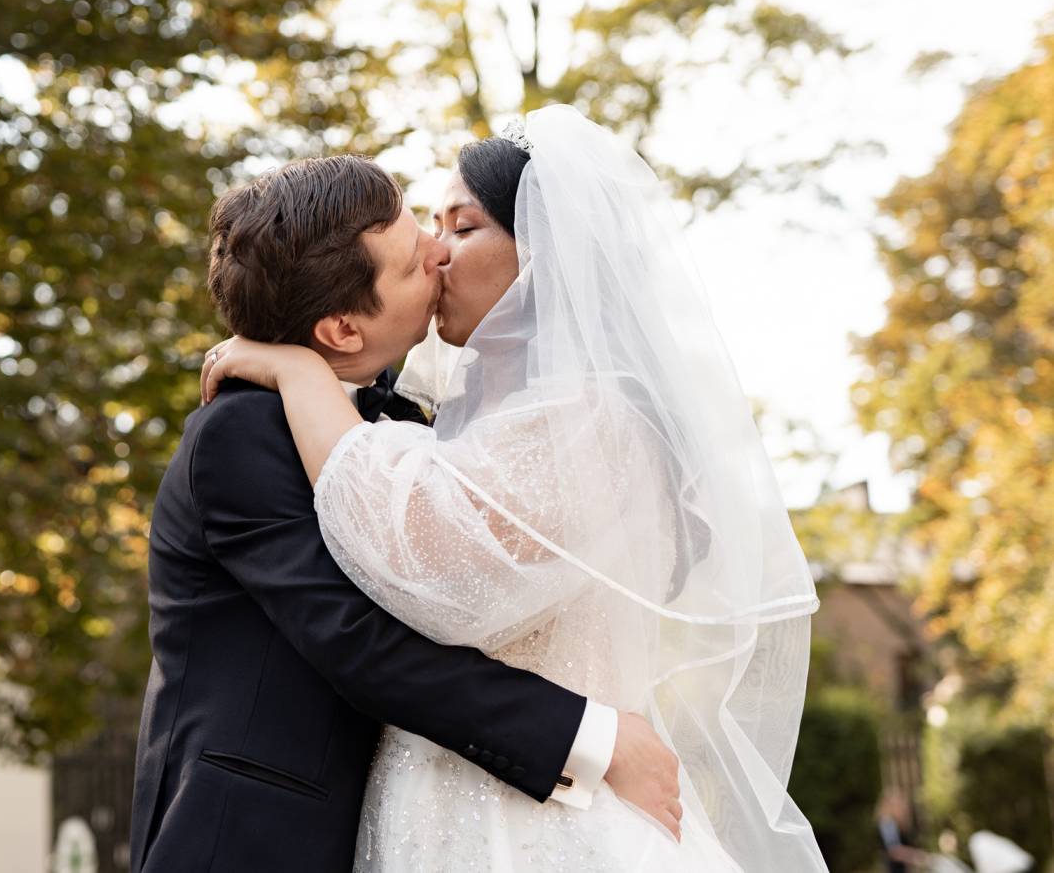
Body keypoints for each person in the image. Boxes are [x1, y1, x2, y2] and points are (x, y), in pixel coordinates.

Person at [202, 104, 827, 870]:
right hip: (463, 803)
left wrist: (301, 374)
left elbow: (420, 563)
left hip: (529, 825)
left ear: (546, 257)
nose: (435, 252)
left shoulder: (589, 421)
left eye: (461, 228)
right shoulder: (482, 423)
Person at [130, 152, 682, 873]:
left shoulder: (417, 424)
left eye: (439, 226)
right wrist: (594, 739)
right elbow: (357, 640)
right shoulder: (244, 430)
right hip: (251, 840)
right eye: (412, 254)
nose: (436, 252)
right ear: (342, 331)